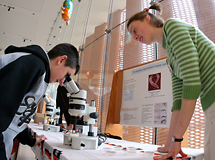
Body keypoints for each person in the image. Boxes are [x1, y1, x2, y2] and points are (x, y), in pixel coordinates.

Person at [127, 2, 215, 160]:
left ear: (147, 18)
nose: (135, 37)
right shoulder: (171, 60)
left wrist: (178, 139)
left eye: (134, 30)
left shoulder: (172, 27)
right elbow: (178, 104)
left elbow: (192, 82)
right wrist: (169, 144)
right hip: (210, 102)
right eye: (132, 36)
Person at [0, 43, 80, 159]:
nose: (62, 82)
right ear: (62, 60)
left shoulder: (39, 73)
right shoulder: (34, 64)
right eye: (66, 75)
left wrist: (31, 140)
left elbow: (15, 118)